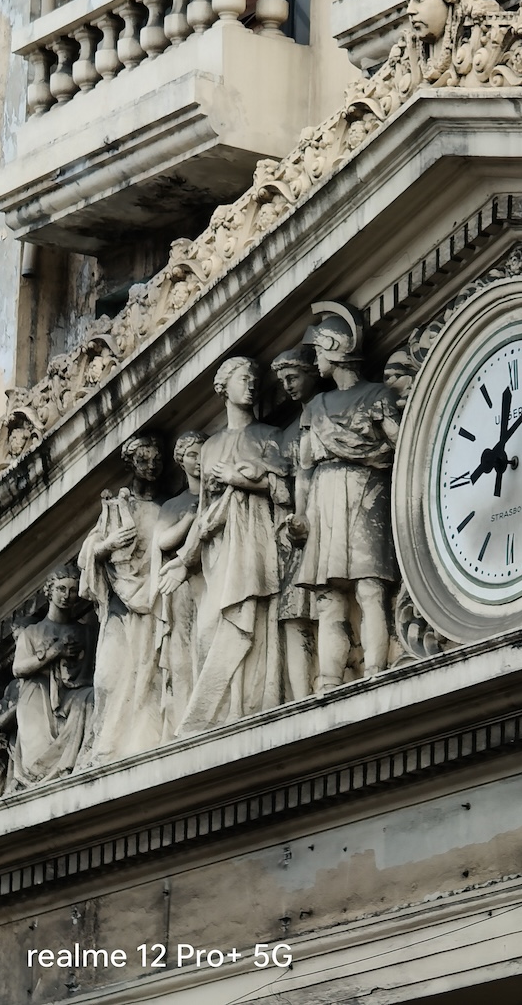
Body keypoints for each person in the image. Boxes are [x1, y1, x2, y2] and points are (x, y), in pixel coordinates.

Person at [162, 358, 289, 734]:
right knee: (207, 630)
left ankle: (242, 707)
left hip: (254, 540)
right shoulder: (210, 447)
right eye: (243, 379)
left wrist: (241, 480)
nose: (250, 386)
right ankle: (218, 710)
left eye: (254, 379)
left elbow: (284, 491)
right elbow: (203, 513)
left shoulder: (270, 436)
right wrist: (185, 561)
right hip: (217, 550)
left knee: (248, 616)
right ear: (223, 388)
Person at [289, 303, 401, 693]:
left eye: (319, 352)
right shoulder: (314, 408)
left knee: (370, 587)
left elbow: (402, 445)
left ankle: (374, 669)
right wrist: (300, 514)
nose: (315, 361)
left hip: (367, 492)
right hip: (326, 496)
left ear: (335, 349)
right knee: (329, 598)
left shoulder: (377, 395)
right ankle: (330, 679)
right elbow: (304, 469)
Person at [79, 433, 165, 762]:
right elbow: (89, 554)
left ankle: (137, 741)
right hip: (119, 607)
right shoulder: (116, 508)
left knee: (146, 675)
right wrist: (110, 544)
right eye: (143, 460)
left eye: (156, 460)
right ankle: (105, 746)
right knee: (106, 679)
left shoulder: (163, 509)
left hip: (151, 605)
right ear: (130, 463)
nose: (152, 466)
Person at [11, 568, 95, 787]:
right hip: (38, 699)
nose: (66, 595)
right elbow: (19, 669)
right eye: (60, 589)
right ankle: (42, 771)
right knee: (35, 760)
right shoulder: (31, 633)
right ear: (49, 591)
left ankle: (81, 759)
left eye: (73, 590)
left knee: (91, 698)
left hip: (73, 694)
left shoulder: (86, 632)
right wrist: (54, 653)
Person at [270, 347, 321, 700]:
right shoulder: (287, 437)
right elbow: (281, 491)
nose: (287, 386)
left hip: (331, 517)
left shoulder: (330, 414)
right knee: (294, 608)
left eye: (293, 377)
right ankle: (300, 694)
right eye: (283, 381)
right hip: (295, 533)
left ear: (313, 372)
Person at [153, 431, 206, 738]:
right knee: (182, 652)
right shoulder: (174, 505)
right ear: (181, 461)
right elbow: (162, 541)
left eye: (201, 454)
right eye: (192, 456)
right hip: (180, 586)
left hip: (207, 576)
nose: (197, 462)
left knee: (204, 641)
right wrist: (189, 520)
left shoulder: (214, 491)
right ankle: (183, 715)